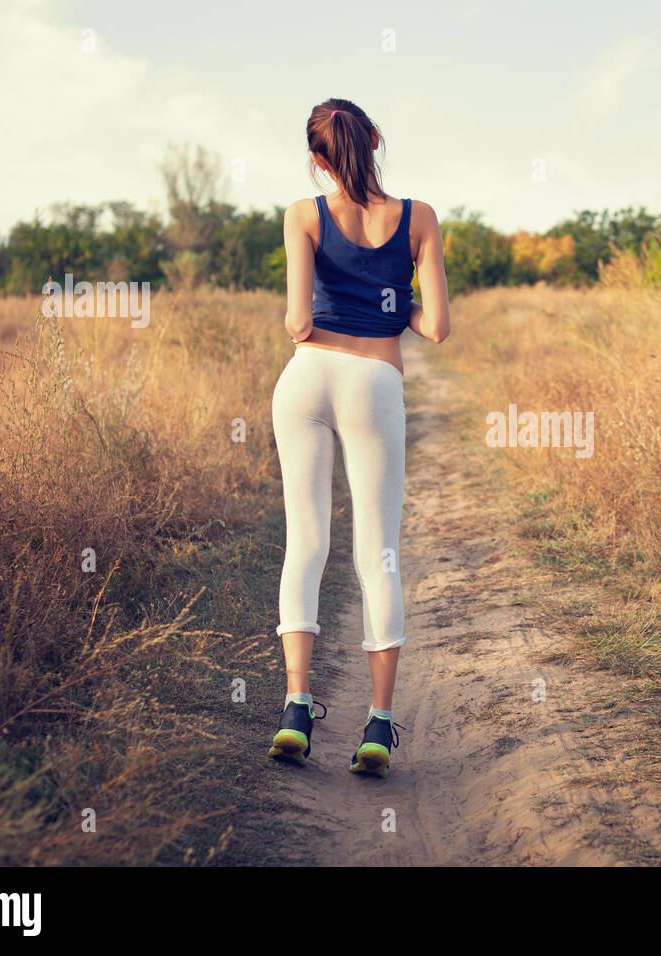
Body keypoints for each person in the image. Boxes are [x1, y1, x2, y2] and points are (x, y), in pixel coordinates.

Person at [267, 98, 450, 777]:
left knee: (305, 544)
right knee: (379, 554)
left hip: (307, 379)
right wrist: (392, 298)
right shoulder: (419, 217)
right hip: (374, 381)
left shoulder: (304, 214)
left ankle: (296, 707)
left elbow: (294, 321)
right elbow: (436, 328)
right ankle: (376, 727)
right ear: (375, 139)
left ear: (316, 159)